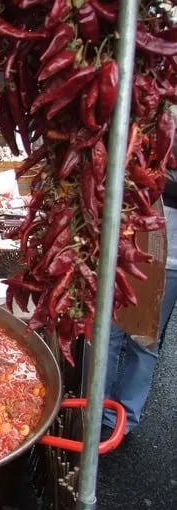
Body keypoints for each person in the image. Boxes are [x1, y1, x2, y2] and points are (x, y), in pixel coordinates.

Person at [99, 128, 177, 440]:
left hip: (169, 255)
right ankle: (97, 407)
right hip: (128, 242)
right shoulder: (157, 117)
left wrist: (137, 173)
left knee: (144, 338)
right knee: (109, 332)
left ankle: (125, 416)